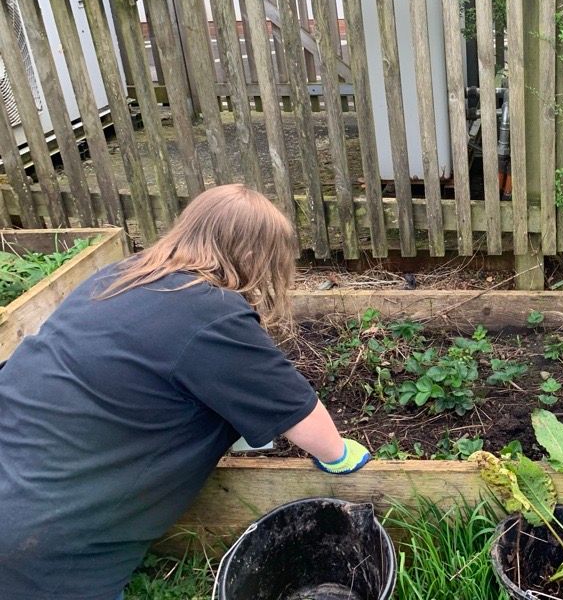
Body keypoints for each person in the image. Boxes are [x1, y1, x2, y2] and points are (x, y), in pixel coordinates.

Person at [0, 184, 371, 600]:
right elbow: (298, 414)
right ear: (251, 255)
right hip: (42, 539)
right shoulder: (210, 313)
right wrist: (339, 455)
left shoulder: (120, 275)